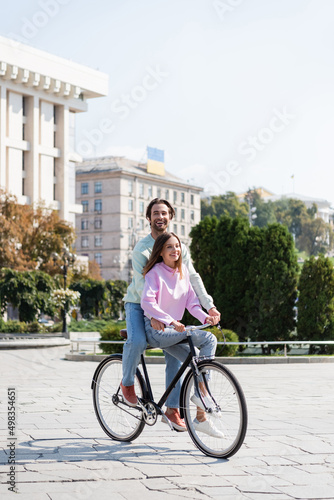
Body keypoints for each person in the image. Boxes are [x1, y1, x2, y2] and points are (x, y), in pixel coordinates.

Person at [120, 198, 220, 431]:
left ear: (171, 216)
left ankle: (174, 409)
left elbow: (191, 279)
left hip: (166, 310)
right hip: (139, 304)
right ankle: (127, 385)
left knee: (178, 357)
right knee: (136, 341)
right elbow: (148, 286)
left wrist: (209, 307)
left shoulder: (179, 247)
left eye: (164, 213)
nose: (160, 217)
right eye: (155, 213)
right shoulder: (142, 250)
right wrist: (157, 316)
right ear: (149, 218)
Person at [141, 232, 223, 438]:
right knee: (209, 339)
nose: (175, 250)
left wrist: (205, 318)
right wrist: (171, 321)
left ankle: (200, 416)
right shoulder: (154, 273)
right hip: (157, 330)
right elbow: (147, 302)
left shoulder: (183, 271)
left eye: (177, 246)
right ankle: (201, 395)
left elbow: (191, 303)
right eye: (169, 247)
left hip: (174, 331)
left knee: (195, 356)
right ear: (160, 251)